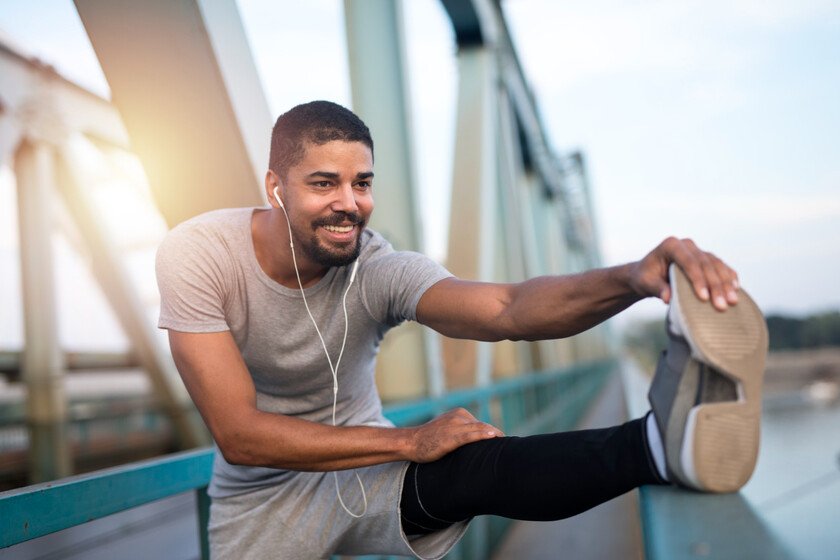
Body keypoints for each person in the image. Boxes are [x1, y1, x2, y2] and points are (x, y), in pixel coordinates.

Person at [155, 100, 768, 559]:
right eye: (323, 183)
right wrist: (407, 441)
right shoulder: (200, 255)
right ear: (275, 188)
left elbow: (506, 308)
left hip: (363, 472)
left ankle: (662, 447)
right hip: (262, 498)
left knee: (478, 467)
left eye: (361, 182)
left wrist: (635, 277)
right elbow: (240, 435)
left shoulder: (376, 269)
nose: (349, 203)